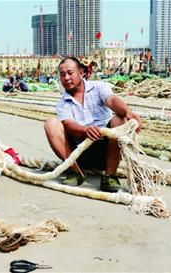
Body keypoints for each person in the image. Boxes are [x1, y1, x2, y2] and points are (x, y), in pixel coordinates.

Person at [44, 57, 142, 192]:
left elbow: (112, 101)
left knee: (119, 119)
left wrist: (127, 112)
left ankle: (110, 176)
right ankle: (76, 172)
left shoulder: (99, 87)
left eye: (70, 73)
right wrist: (85, 130)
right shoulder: (63, 103)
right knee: (51, 124)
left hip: (106, 151)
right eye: (62, 75)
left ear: (81, 73)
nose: (66, 78)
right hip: (79, 153)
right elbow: (68, 125)